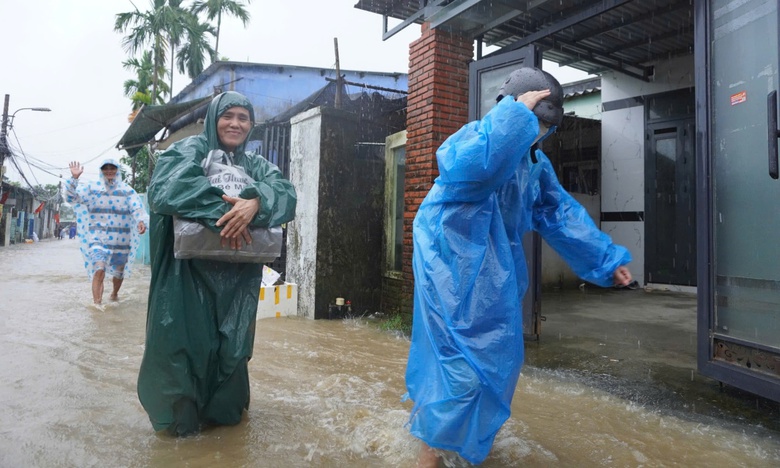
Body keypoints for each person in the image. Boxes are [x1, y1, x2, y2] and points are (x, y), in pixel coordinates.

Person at [406, 67, 633, 467]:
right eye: (535, 119)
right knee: (454, 369)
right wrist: (514, 118)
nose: (539, 130)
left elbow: (560, 214)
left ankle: (470, 450)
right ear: (512, 108)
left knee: (496, 365)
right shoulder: (475, 136)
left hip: (494, 278)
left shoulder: (535, 165)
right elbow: (471, 172)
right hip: (447, 270)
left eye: (546, 124)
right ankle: (429, 457)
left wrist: (605, 259)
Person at [137, 91, 297, 436]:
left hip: (237, 282)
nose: (236, 124)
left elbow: (286, 194)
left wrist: (256, 202)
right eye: (229, 116)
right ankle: (182, 433)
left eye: (243, 117)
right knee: (182, 350)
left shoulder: (255, 165)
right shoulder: (188, 151)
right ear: (213, 119)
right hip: (185, 279)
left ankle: (224, 431)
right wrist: (229, 213)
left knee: (232, 352)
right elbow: (168, 189)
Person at [65, 158, 149, 305]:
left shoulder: (126, 190)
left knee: (118, 273)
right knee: (99, 269)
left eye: (112, 168)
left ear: (117, 170)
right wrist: (74, 178)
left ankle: (114, 294)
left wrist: (141, 221)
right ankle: (97, 304)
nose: (109, 170)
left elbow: (137, 207)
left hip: (121, 241)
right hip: (98, 239)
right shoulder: (92, 189)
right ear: (101, 171)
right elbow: (72, 197)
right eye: (106, 168)